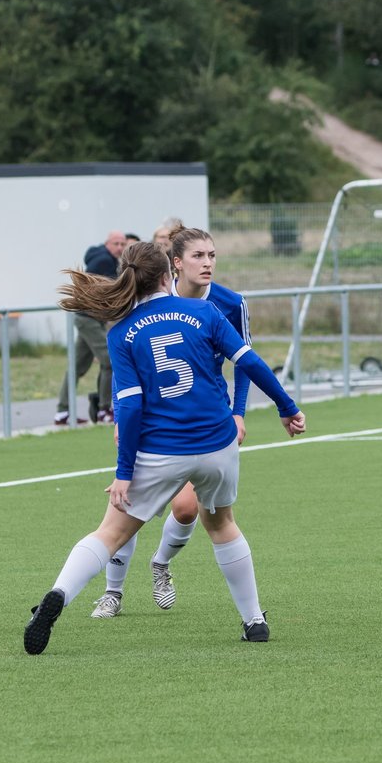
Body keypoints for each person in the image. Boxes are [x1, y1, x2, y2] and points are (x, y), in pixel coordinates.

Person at [23, 241, 306, 655]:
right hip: (217, 441)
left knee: (111, 533)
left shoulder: (121, 331)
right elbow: (249, 362)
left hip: (161, 449)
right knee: (223, 525)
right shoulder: (205, 312)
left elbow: (131, 406)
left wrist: (124, 471)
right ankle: (254, 620)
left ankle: (57, 598)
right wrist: (287, 407)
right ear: (167, 275)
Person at [89, 225, 254, 619]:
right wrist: (121, 415)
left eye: (212, 255)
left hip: (202, 424)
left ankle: (160, 565)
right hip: (150, 421)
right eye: (199, 256)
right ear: (173, 266)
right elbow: (126, 363)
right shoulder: (149, 304)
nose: (208, 263)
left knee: (185, 510)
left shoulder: (229, 304)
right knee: (128, 507)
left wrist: (238, 413)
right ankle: (113, 592)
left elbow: (246, 361)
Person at [55, 230, 126, 425]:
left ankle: (62, 412)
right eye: (116, 244)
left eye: (122, 244)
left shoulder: (106, 259)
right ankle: (104, 409)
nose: (120, 248)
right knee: (110, 361)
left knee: (76, 367)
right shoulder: (103, 261)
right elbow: (90, 285)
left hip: (90, 318)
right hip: (89, 319)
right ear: (107, 244)